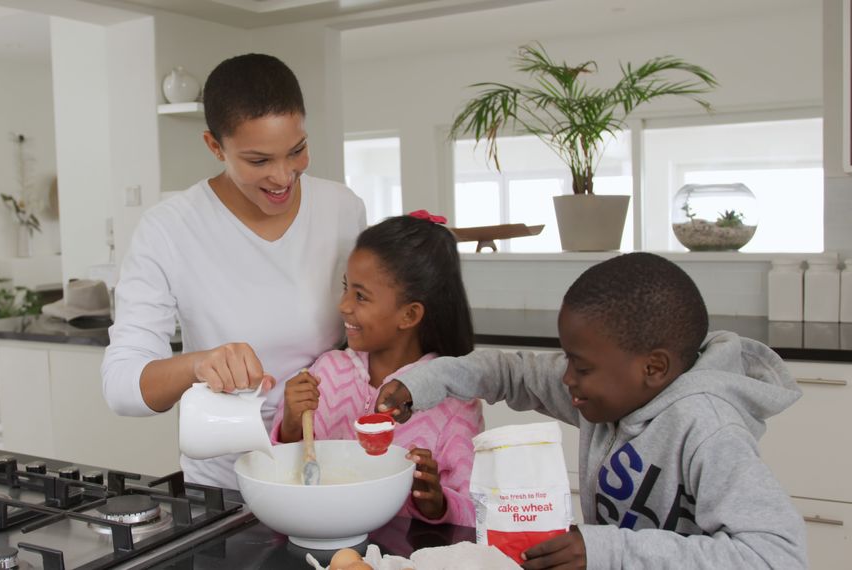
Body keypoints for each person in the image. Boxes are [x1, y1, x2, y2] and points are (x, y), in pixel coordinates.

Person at [375, 252, 808, 569]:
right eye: (567, 360)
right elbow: (509, 371)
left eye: (581, 367)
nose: (566, 379)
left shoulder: (710, 431)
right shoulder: (612, 392)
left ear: (652, 367)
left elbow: (776, 556)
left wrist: (607, 551)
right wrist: (421, 382)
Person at [102, 53, 366, 489]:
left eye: (297, 151)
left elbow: (369, 331)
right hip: (227, 484)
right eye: (259, 161)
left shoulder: (342, 208)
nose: (284, 176)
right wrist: (199, 365)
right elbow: (121, 386)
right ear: (214, 146)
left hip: (334, 466)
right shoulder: (169, 229)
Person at [271, 213, 484, 526]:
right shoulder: (327, 372)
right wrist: (290, 424)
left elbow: (474, 513)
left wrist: (436, 503)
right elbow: (282, 471)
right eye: (346, 288)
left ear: (409, 315)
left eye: (360, 296)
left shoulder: (454, 402)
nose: (344, 305)